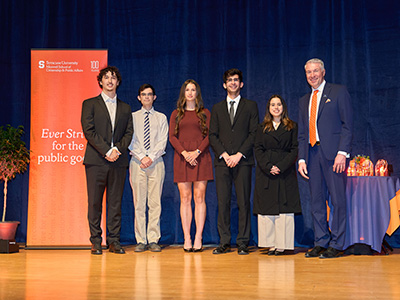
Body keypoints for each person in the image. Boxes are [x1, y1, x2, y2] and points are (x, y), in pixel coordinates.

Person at [298, 58, 353, 259]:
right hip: (312, 156)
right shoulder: (304, 100)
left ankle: (337, 243)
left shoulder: (338, 92)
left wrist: (342, 153)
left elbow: (348, 125)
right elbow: (303, 133)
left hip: (333, 156)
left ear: (323, 72)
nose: (312, 75)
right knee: (316, 202)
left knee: (337, 201)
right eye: (308, 72)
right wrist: (301, 159)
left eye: (315, 71)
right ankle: (321, 241)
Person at [81, 66, 133, 255]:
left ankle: (114, 241)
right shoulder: (90, 104)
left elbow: (129, 133)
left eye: (113, 78)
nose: (110, 81)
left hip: (118, 161)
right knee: (94, 202)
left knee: (115, 203)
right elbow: (89, 131)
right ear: (100, 81)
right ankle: (96, 241)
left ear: (118, 82)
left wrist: (117, 149)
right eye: (106, 77)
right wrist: (106, 150)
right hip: (96, 160)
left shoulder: (126, 107)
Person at [209, 68, 259, 255]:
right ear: (224, 85)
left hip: (243, 161)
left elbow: (254, 133)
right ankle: (224, 242)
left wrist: (239, 154)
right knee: (223, 203)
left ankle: (243, 242)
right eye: (229, 80)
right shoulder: (217, 108)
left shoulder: (251, 106)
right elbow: (212, 135)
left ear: (241, 84)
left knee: (243, 202)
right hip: (223, 162)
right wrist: (224, 154)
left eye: (236, 80)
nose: (233, 83)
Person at [169, 79, 214, 252]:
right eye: (187, 90)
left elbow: (210, 136)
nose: (190, 93)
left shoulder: (205, 113)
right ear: (183, 93)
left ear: (197, 93)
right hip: (182, 158)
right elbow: (172, 137)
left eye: (193, 89)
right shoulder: (176, 114)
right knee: (185, 198)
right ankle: (187, 237)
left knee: (199, 197)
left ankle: (198, 237)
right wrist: (185, 153)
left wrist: (196, 152)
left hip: (201, 158)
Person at [254, 95, 301, 255]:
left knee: (284, 207)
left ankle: (282, 245)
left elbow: (294, 149)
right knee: (267, 207)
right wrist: (268, 167)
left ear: (283, 107)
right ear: (268, 108)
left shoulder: (292, 126)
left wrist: (280, 166)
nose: (276, 107)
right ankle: (271, 244)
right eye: (273, 104)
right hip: (266, 172)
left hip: (285, 171)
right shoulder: (261, 128)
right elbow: (258, 149)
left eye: (279, 104)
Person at [128, 84, 168, 253]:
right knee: (139, 203)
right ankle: (141, 240)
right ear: (139, 97)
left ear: (154, 97)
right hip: (137, 163)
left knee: (155, 203)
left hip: (156, 162)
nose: (146, 97)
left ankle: (153, 239)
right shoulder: (132, 117)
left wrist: (150, 157)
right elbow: (129, 140)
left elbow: (162, 140)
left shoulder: (161, 117)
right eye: (143, 94)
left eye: (149, 94)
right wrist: (141, 157)